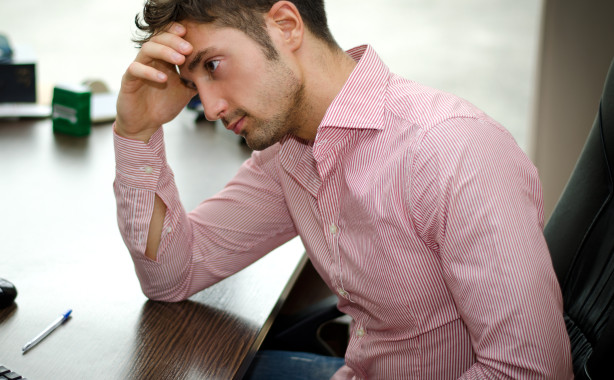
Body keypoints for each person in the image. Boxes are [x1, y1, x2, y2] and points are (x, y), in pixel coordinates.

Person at [112, 0, 573, 378]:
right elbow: (172, 275)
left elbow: (531, 371)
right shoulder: (289, 152)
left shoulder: (452, 150)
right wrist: (137, 132)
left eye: (212, 65)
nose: (209, 108)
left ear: (286, 26)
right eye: (193, 84)